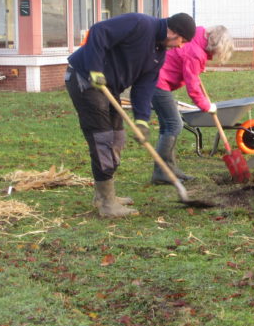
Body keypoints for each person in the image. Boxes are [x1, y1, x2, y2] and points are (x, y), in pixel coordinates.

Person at [65, 12, 196, 217]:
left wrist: (142, 120)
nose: (180, 46)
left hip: (109, 87)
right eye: (182, 40)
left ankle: (103, 194)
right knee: (103, 140)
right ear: (172, 31)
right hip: (85, 79)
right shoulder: (140, 24)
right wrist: (95, 69)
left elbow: (144, 88)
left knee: (117, 138)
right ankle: (107, 204)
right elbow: (99, 31)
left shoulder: (158, 54)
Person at [150, 25, 234, 184]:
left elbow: (190, 71)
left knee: (167, 126)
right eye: (219, 52)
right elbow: (192, 87)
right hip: (158, 83)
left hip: (157, 78)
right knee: (174, 124)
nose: (217, 55)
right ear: (216, 45)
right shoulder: (195, 53)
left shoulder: (198, 34)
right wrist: (207, 106)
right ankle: (161, 173)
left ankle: (170, 169)